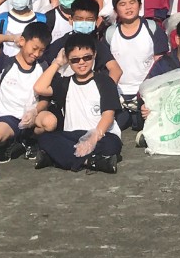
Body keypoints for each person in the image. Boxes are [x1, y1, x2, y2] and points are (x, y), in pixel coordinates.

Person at [31, 38, 123, 172]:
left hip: (100, 134)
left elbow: (108, 116)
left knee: (112, 144)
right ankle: (92, 162)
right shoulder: (65, 83)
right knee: (46, 139)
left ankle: (56, 159)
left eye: (87, 58)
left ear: (94, 55)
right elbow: (39, 88)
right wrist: (57, 63)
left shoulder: (105, 81)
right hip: (72, 136)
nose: (82, 63)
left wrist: (92, 139)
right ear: (68, 60)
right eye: (75, 59)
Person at [104, 0, 169, 132]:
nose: (128, 7)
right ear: (115, 10)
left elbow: (161, 66)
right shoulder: (110, 34)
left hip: (146, 95)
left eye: (132, 2)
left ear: (140, 6)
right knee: (115, 125)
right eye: (122, 4)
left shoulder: (152, 29)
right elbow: (107, 68)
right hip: (120, 96)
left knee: (145, 124)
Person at [0, 22, 52, 161]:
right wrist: (13, 38)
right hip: (7, 118)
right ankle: (9, 142)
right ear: (22, 41)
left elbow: (45, 99)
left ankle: (28, 141)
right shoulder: (5, 63)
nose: (36, 54)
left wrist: (34, 111)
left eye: (41, 50)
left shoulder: (43, 67)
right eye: (34, 48)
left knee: (50, 122)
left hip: (32, 117)